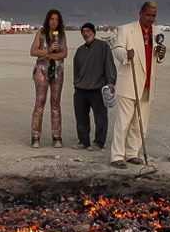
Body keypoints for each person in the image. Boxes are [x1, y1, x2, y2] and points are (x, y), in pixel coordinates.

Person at [109, 1, 166, 168]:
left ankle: (132, 152)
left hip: (148, 83)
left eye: (153, 16)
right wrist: (126, 54)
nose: (151, 19)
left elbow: (157, 56)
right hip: (129, 82)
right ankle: (117, 155)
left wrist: (161, 54)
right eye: (148, 15)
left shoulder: (158, 32)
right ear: (140, 13)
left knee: (140, 121)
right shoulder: (126, 30)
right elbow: (116, 49)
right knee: (124, 121)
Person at [72, 22, 117, 151]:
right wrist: (77, 83)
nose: (86, 34)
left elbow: (109, 65)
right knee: (81, 117)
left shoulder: (103, 47)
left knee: (100, 117)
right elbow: (76, 69)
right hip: (81, 89)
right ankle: (83, 141)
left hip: (98, 89)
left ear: (94, 32)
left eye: (88, 31)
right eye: (83, 31)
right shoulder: (80, 50)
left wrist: (111, 81)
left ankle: (98, 142)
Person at [29, 9, 68, 148]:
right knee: (40, 102)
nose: (54, 22)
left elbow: (64, 54)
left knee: (56, 103)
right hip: (42, 72)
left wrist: (46, 56)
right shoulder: (41, 34)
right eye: (52, 19)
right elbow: (33, 52)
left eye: (57, 20)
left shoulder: (61, 36)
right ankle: (35, 136)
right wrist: (48, 50)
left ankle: (56, 136)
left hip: (57, 72)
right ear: (48, 20)